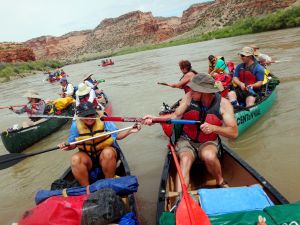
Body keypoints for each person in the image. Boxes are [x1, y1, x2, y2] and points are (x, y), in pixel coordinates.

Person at [143, 74, 238, 192]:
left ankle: (220, 180)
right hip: (187, 140)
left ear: (205, 92)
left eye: (194, 89)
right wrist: (155, 119)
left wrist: (214, 128)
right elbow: (175, 116)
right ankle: (180, 197)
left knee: (209, 156)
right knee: (185, 159)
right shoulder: (188, 97)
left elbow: (234, 133)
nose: (190, 91)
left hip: (208, 141)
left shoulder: (224, 104)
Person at [58, 102, 141, 186]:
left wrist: (130, 131)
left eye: (91, 114)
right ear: (79, 116)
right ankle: (87, 189)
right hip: (88, 158)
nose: (89, 117)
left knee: (108, 153)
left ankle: (109, 184)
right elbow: (72, 144)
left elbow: (117, 135)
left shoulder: (104, 120)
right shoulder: (75, 125)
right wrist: (66, 146)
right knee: (75, 159)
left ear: (95, 113)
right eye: (85, 115)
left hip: (106, 156)